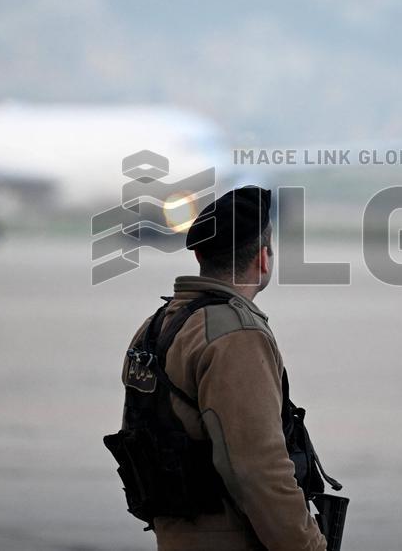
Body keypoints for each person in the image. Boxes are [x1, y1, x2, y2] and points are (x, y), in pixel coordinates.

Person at [107, 186, 332, 551]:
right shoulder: (234, 334)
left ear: (198, 254)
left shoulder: (159, 325)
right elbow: (258, 469)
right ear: (263, 259)